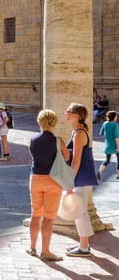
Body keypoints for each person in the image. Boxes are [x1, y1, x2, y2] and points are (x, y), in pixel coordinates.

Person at [26, 109, 70, 262]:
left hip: (36, 178)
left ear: (40, 122)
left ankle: (32, 247)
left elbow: (33, 156)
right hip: (53, 180)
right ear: (54, 123)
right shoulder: (58, 141)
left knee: (35, 215)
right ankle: (45, 251)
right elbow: (67, 156)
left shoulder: (33, 139)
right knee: (48, 219)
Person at [65, 103, 99, 257]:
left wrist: (70, 180)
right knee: (80, 210)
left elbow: (76, 160)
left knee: (80, 211)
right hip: (82, 176)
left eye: (69, 111)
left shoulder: (79, 134)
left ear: (77, 115)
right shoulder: (79, 132)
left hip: (80, 177)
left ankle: (84, 247)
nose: (66, 113)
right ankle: (83, 243)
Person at [99, 110, 119, 180]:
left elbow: (101, 133)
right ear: (114, 117)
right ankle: (118, 175)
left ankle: (99, 171)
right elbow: (116, 136)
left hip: (108, 145)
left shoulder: (105, 123)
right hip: (115, 145)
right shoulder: (115, 125)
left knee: (107, 160)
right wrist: (118, 146)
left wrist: (108, 133)